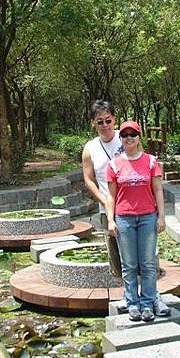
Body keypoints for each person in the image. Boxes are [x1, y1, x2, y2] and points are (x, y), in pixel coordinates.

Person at [105, 120, 166, 322]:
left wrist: (162, 217)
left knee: (148, 263)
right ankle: (132, 303)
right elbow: (111, 196)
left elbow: (157, 190)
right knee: (129, 264)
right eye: (124, 134)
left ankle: (148, 303)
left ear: (139, 137)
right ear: (120, 138)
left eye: (133, 134)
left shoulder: (150, 161)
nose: (129, 137)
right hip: (124, 219)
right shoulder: (114, 164)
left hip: (148, 217)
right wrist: (111, 220)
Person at [82, 100, 123, 278]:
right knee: (115, 256)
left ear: (114, 119)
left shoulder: (127, 137)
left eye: (108, 120)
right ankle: (124, 293)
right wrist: (105, 202)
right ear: (93, 123)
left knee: (142, 253)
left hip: (134, 206)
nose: (105, 125)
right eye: (100, 122)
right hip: (107, 208)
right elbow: (88, 180)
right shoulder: (90, 149)